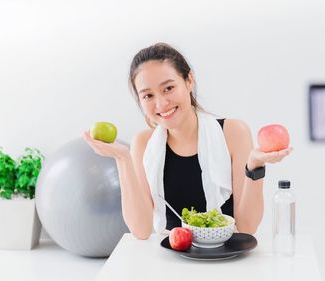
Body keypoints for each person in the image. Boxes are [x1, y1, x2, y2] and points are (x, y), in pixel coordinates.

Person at [82, 43, 292, 240]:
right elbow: (141, 230)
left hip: (224, 257)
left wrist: (255, 165)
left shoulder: (233, 133)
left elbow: (247, 227)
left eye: (168, 88)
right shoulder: (143, 143)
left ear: (189, 81)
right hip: (169, 257)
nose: (161, 103)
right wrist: (122, 158)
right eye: (148, 96)